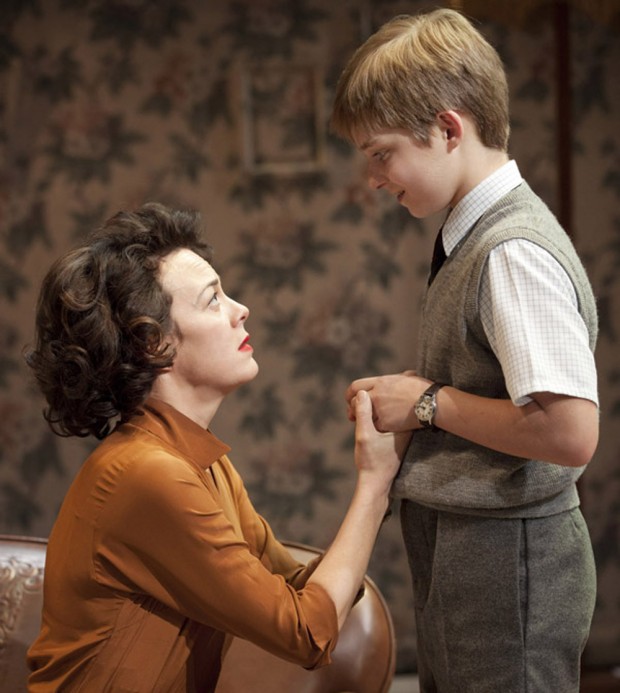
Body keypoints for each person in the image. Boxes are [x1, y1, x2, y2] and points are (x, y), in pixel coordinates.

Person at [25, 202, 409, 692]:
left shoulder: (203, 465)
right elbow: (306, 633)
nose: (240, 309)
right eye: (213, 300)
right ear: (153, 343)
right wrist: (374, 484)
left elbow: (295, 593)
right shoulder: (145, 474)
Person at [331, 8, 599, 693]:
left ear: (449, 129)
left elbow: (570, 432)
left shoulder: (509, 250)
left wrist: (426, 402)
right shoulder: (475, 237)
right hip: (479, 568)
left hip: (506, 575)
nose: (375, 178)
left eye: (381, 153)